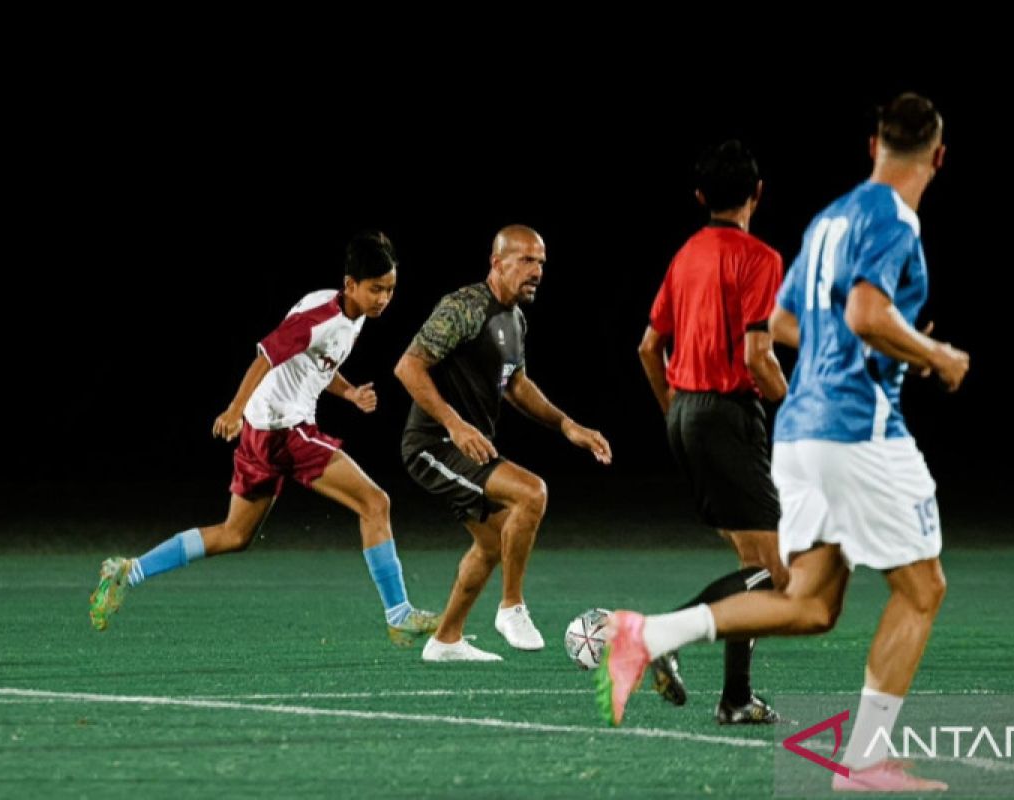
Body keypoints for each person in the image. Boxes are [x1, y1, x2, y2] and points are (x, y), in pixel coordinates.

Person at [597, 93, 969, 792]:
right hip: (858, 429)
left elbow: (786, 323)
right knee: (922, 589)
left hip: (798, 430)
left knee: (809, 602)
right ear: (939, 156)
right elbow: (864, 312)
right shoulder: (895, 221)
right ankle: (863, 761)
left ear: (872, 147)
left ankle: (650, 636)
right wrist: (934, 355)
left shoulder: (831, 220)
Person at [89, 231, 440, 646]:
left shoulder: (350, 314)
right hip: (283, 430)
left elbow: (315, 364)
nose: (384, 298)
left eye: (391, 289)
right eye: (376, 289)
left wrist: (349, 393)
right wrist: (233, 410)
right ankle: (399, 614)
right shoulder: (321, 316)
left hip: (264, 431)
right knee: (375, 502)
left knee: (234, 535)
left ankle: (129, 571)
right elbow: (267, 356)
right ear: (350, 285)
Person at [395, 224, 612, 662]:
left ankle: (446, 640)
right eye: (526, 260)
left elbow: (515, 384)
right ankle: (511, 607)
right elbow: (408, 367)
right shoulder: (465, 307)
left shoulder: (515, 319)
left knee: (493, 545)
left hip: (469, 449)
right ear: (497, 262)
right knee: (532, 493)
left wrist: (567, 425)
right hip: (433, 444)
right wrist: (455, 424)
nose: (537, 271)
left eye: (542, 263)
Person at [637, 139, 790, 724]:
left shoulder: (687, 255)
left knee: (755, 567)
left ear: (701, 197)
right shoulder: (760, 258)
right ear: (757, 193)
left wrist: (677, 410)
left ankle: (736, 699)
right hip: (727, 416)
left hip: (689, 415)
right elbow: (758, 358)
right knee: (781, 573)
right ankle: (663, 636)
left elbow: (649, 348)